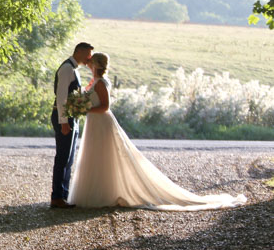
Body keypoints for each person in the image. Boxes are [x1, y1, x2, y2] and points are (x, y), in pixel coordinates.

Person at [68, 52, 247, 210]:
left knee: (104, 156)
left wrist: (85, 110)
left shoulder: (100, 83)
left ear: (95, 65)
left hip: (101, 122)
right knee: (97, 156)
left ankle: (104, 193)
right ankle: (100, 191)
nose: (88, 65)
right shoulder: (95, 81)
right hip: (94, 123)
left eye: (91, 63)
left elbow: (105, 107)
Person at [50, 42, 93, 208]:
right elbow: (61, 97)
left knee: (69, 158)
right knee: (62, 157)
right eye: (87, 55)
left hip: (71, 117)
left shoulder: (74, 69)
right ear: (79, 52)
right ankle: (57, 196)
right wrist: (64, 122)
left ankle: (64, 194)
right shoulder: (67, 69)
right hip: (64, 117)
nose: (89, 58)